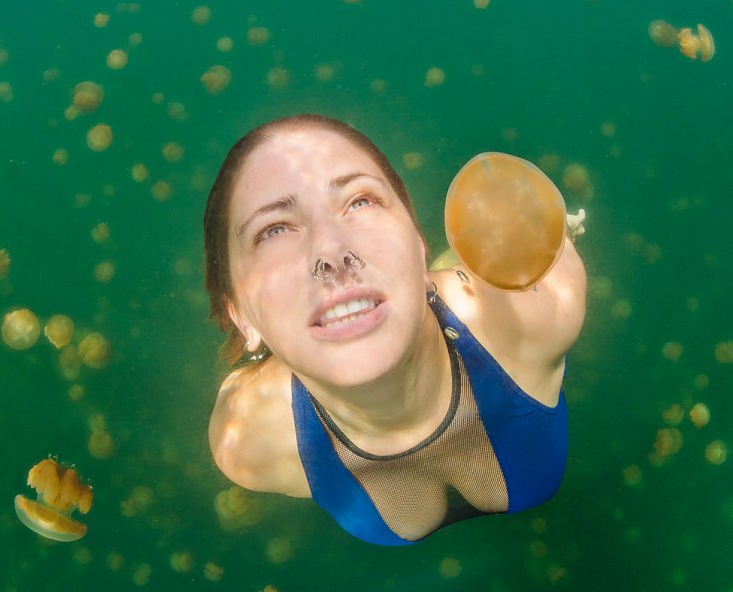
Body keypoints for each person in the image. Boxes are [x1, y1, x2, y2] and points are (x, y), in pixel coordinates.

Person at [204, 114, 586, 546]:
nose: (331, 250)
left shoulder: (538, 312)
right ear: (241, 317)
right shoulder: (248, 443)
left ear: (418, 246)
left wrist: (547, 239)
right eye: (273, 230)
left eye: (360, 201)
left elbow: (546, 241)